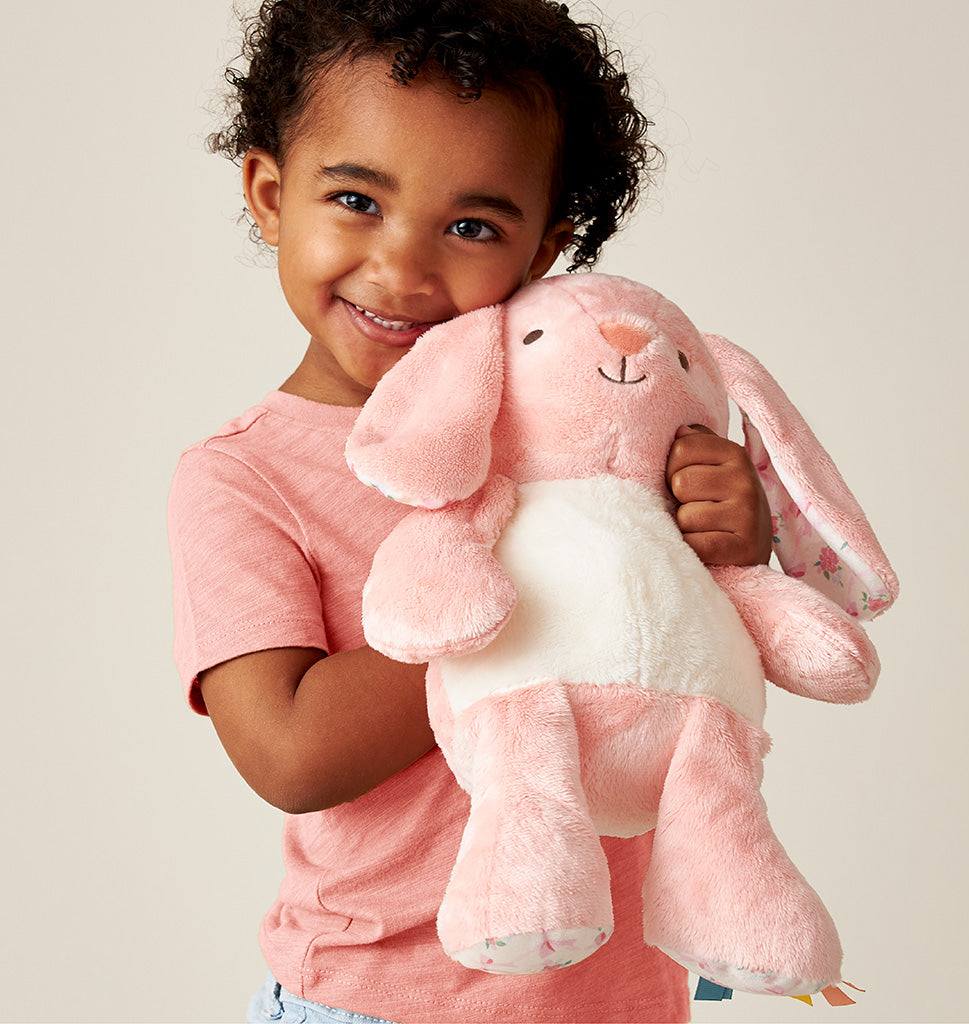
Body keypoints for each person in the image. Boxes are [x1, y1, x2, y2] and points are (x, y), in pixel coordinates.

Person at [168, 2, 771, 1021]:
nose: (402, 268)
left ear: (543, 253)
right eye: (356, 198)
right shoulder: (243, 473)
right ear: (270, 195)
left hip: (618, 994)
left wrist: (732, 543)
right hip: (375, 999)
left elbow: (689, 658)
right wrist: (556, 583)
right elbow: (290, 751)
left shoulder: (601, 437)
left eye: (471, 227)